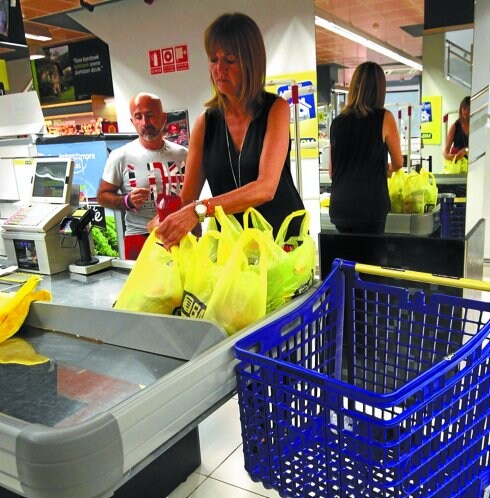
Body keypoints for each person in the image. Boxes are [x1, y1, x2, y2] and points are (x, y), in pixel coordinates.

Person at [155, 12, 304, 248]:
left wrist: (199, 210)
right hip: (234, 247)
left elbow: (265, 188)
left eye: (230, 60)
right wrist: (167, 221)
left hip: (281, 243)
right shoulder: (205, 123)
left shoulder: (276, 109)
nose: (219, 69)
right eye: (213, 60)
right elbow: (187, 198)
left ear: (251, 63)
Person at [97, 92, 187, 260]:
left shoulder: (183, 154)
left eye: (150, 115)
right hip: (140, 237)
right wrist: (126, 201)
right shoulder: (120, 156)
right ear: (132, 122)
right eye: (138, 117)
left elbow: (191, 196)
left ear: (163, 118)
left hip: (180, 234)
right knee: (144, 287)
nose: (145, 122)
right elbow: (102, 196)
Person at [328, 61, 404, 234]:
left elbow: (332, 173)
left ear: (354, 86)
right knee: (369, 259)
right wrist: (386, 168)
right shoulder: (384, 117)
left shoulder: (337, 122)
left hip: (341, 207)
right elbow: (398, 162)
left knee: (347, 259)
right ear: (380, 89)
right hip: (370, 207)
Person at [443, 95, 470, 162]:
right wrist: (451, 156)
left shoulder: (477, 125)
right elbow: (445, 152)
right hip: (458, 165)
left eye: (469, 109)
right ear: (461, 109)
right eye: (464, 109)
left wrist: (466, 150)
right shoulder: (455, 127)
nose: (466, 112)